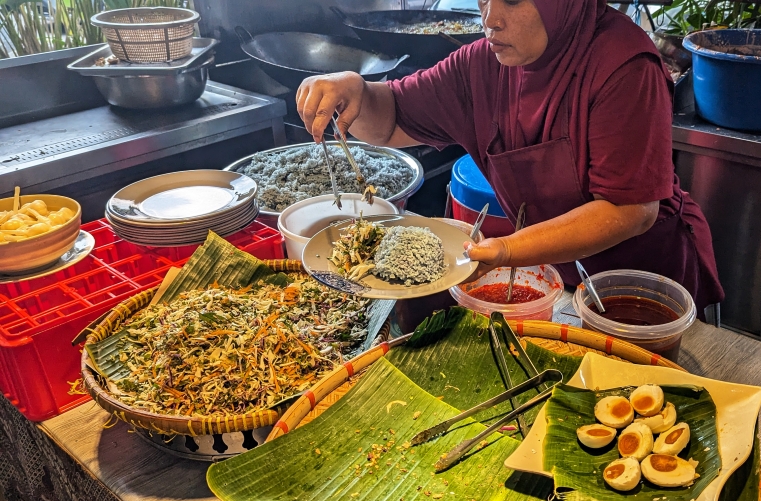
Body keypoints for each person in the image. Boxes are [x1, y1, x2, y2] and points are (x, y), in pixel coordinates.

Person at [296, 0, 724, 313]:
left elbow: (630, 211)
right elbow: (390, 121)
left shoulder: (624, 64)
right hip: (556, 280)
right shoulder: (482, 65)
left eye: (513, 1)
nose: (489, 19)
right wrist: (356, 91)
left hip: (642, 287)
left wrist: (507, 248)